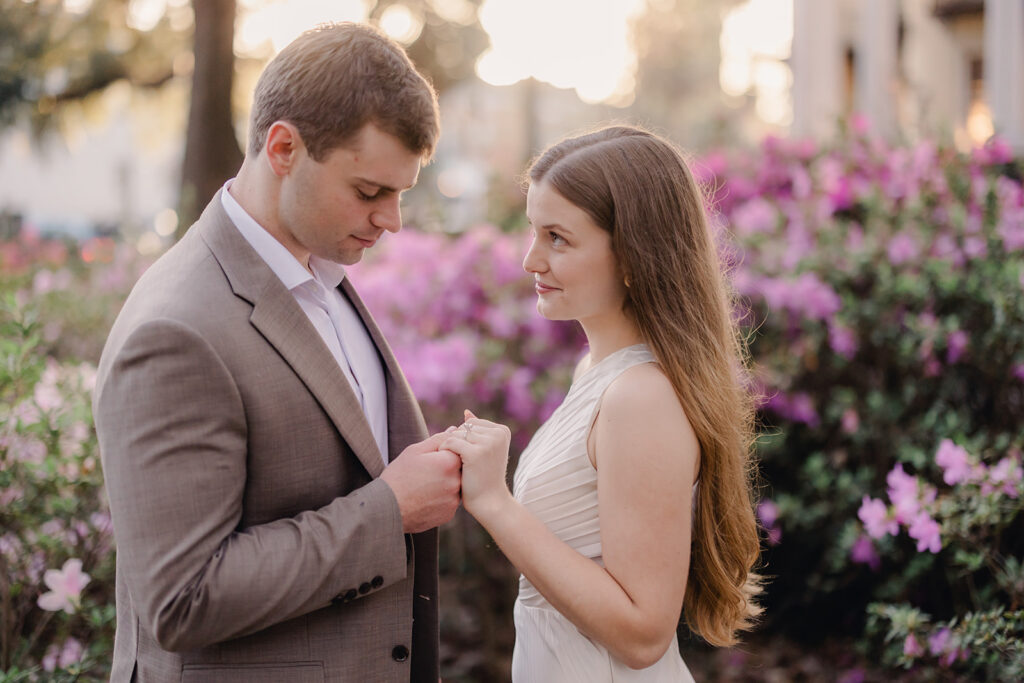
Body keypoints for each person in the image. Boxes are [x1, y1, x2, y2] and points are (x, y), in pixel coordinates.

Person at [92, 23, 462, 683]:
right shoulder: (176, 328)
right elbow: (180, 598)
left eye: (402, 193)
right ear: (283, 146)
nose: (392, 220)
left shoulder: (321, 275)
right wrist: (390, 510)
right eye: (371, 191)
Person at [443, 125, 763, 681]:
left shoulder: (640, 398)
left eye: (557, 238)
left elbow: (642, 635)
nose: (530, 260)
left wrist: (495, 502)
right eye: (532, 232)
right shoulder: (597, 372)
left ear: (634, 256)